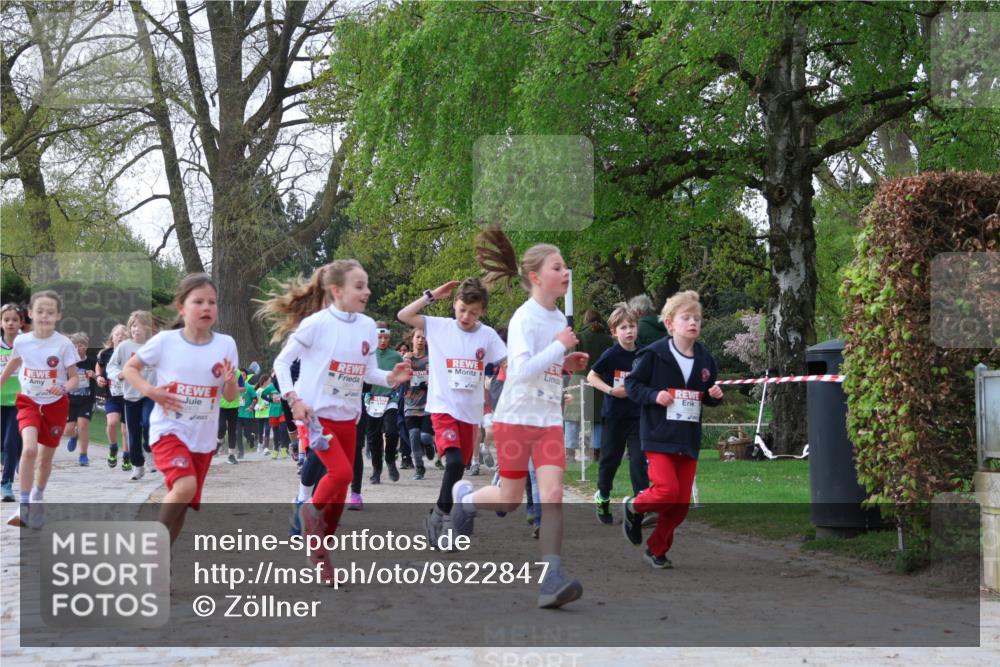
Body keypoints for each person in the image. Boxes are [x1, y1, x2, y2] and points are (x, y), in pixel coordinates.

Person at [447, 225, 589, 609]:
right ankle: (465, 499)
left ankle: (551, 577)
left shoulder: (560, 320)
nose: (566, 273)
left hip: (548, 420)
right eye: (558, 267)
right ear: (536, 277)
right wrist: (559, 347)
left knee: (553, 495)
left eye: (565, 267)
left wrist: (568, 362)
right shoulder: (525, 318)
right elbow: (522, 369)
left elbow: (549, 369)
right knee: (509, 500)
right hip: (515, 418)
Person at [261, 260, 411, 584]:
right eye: (360, 286)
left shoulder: (368, 326)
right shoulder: (316, 324)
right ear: (337, 290)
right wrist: (294, 399)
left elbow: (368, 371)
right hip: (317, 415)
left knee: (340, 494)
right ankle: (307, 511)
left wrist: (391, 377)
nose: (367, 291)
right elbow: (282, 363)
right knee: (341, 473)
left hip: (349, 415)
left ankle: (320, 553)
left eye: (367, 285)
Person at [122, 273, 238, 545]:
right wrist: (152, 392)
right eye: (198, 301)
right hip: (169, 429)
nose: (207, 307)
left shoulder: (226, 344)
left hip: (203, 438)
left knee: (182, 500)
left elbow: (230, 396)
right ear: (181, 307)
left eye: (212, 302)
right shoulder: (166, 341)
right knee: (185, 486)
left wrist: (231, 381)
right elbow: (130, 369)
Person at [397, 277, 507, 542]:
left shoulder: (487, 335)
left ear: (482, 312)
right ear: (454, 305)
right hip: (443, 408)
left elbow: (508, 362)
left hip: (470, 414)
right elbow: (403, 315)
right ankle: (446, 522)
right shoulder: (438, 326)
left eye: (474, 312)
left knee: (459, 469)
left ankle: (437, 513)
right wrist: (431, 295)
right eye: (462, 309)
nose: (466, 316)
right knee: (455, 462)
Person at [622, 290, 724, 568]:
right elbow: (632, 385)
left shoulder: (705, 359)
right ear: (670, 323)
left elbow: (706, 394)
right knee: (666, 490)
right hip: (658, 435)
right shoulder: (654, 354)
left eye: (697, 319)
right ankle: (633, 507)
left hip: (687, 438)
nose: (693, 323)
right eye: (686, 318)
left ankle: (656, 550)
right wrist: (655, 396)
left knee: (679, 507)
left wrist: (714, 395)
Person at [1, 291, 80, 528]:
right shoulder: (22, 341)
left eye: (50, 312)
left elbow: (75, 378)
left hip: (56, 405)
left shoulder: (64, 344)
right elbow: (15, 362)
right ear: (30, 314)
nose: (45, 316)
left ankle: (37, 496)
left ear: (58, 316)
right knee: (28, 450)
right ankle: (23, 506)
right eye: (40, 311)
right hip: (28, 402)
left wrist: (64, 387)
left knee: (45, 459)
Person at [586, 304, 647, 524]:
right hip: (614, 415)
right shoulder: (611, 355)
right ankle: (602, 496)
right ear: (614, 332)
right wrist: (612, 391)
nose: (629, 331)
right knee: (610, 460)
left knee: (639, 460)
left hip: (638, 415)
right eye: (623, 327)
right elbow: (591, 377)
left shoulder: (644, 352)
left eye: (632, 326)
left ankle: (642, 505)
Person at [111, 311, 157, 481]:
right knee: (133, 432)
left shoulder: (154, 345)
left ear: (148, 327)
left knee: (148, 422)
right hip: (130, 395)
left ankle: (149, 449)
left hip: (149, 392)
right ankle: (138, 466)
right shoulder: (124, 347)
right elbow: (111, 367)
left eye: (140, 325)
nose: (136, 329)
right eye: (133, 326)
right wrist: (119, 374)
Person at [365, 323, 404, 482]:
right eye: (379, 337)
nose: (382, 341)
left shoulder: (395, 356)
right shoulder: (367, 355)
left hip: (390, 399)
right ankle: (376, 468)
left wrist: (399, 382)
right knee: (373, 437)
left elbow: (402, 374)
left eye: (385, 337)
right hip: (371, 399)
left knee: (392, 432)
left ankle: (390, 459)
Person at [577, 308, 613, 460]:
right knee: (597, 418)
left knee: (573, 419)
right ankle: (596, 450)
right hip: (601, 380)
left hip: (580, 379)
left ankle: (570, 450)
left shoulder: (579, 336)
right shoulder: (607, 339)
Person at [401, 327, 433, 480]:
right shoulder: (406, 359)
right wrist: (406, 361)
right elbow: (400, 376)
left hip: (428, 405)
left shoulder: (431, 359)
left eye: (423, 338)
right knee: (414, 435)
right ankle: (419, 467)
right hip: (410, 404)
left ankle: (428, 445)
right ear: (412, 339)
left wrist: (428, 384)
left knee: (425, 436)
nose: (421, 340)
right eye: (418, 337)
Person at [96, 324, 129, 469]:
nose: (120, 337)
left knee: (126, 429)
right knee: (112, 423)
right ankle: (113, 447)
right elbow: (99, 365)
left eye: (124, 335)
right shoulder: (106, 353)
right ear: (112, 338)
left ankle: (127, 456)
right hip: (112, 394)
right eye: (118, 334)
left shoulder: (132, 352)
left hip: (129, 395)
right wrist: (98, 377)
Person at [1, 303, 24, 501]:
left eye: (14, 320)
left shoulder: (26, 346)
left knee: (10, 443)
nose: (10, 323)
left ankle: (6, 484)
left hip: (20, 401)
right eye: (6, 319)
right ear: (1, 322)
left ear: (21, 323)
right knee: (3, 444)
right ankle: (13, 457)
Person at [63, 332, 97, 466]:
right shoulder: (68, 362)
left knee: (83, 426)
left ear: (86, 347)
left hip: (86, 400)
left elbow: (100, 377)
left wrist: (94, 375)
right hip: (70, 401)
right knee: (67, 430)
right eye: (75, 346)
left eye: (81, 345)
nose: (78, 348)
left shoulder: (92, 362)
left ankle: (83, 455)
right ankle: (74, 436)